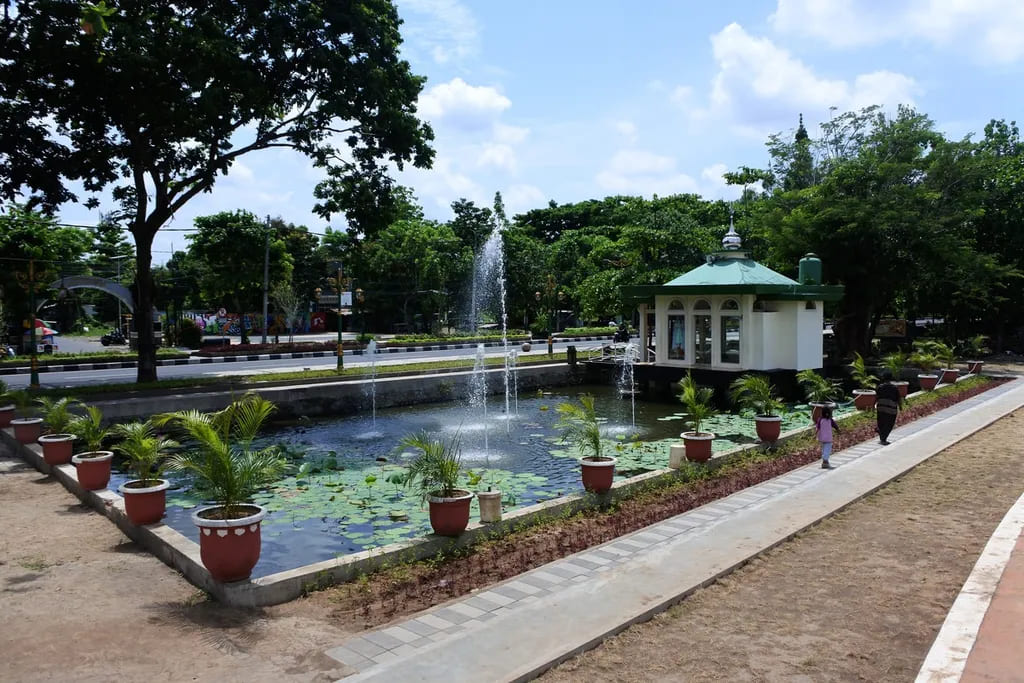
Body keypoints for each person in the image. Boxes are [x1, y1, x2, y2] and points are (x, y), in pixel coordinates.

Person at [875, 370, 902, 445]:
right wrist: (900, 407)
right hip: (891, 408)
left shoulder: (880, 387)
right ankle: (883, 438)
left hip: (881, 407)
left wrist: (872, 405)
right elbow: (898, 398)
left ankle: (881, 435)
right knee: (889, 423)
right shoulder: (894, 388)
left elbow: (876, 397)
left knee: (881, 422)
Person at [815, 405, 840, 469]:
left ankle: (825, 462)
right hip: (828, 438)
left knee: (824, 449)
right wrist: (838, 430)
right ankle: (825, 460)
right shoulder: (830, 420)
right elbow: (835, 426)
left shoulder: (820, 419)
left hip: (822, 437)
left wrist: (815, 434)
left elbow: (817, 428)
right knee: (827, 449)